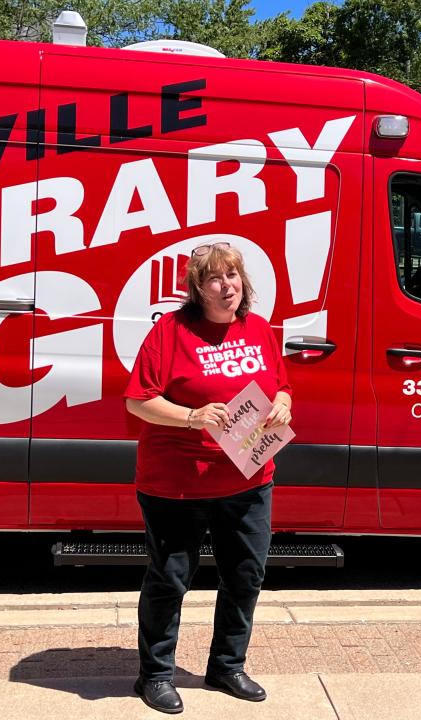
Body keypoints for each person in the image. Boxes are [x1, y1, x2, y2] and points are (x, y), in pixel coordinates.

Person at [124, 241, 292, 714]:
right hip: (178, 481)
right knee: (171, 578)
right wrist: (192, 416)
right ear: (197, 288)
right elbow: (138, 400)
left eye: (233, 276)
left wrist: (283, 405)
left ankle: (226, 666)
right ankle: (155, 674)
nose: (227, 286)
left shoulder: (258, 330)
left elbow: (281, 386)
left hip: (250, 475)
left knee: (246, 574)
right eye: (215, 278)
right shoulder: (170, 332)